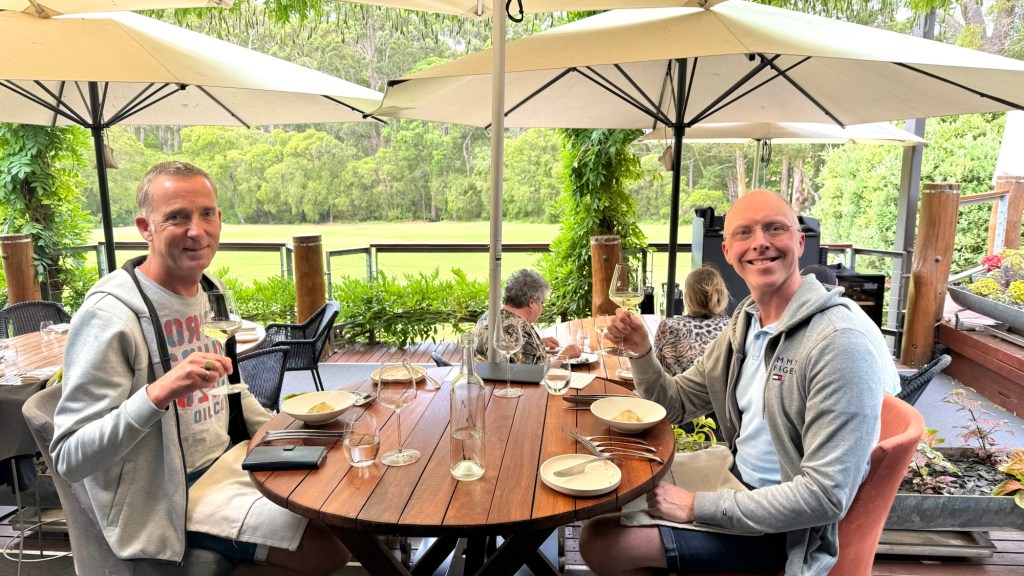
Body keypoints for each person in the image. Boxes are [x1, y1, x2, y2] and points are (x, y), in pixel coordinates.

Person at [51, 162, 349, 575]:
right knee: (329, 550)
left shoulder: (212, 291)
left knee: (342, 509)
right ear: (145, 227)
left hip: (230, 461)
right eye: (177, 216)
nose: (197, 230)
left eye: (206, 213)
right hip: (168, 494)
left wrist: (285, 431)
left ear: (219, 218)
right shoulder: (109, 316)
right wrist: (158, 393)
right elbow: (69, 456)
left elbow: (231, 387)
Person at [581, 190, 899, 575]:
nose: (760, 242)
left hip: (783, 533)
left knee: (604, 542)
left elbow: (826, 495)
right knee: (607, 490)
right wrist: (642, 351)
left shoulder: (838, 343)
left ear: (800, 242)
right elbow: (675, 403)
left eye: (775, 228)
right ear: (728, 251)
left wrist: (696, 507)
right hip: (734, 481)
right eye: (744, 233)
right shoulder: (746, 323)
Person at [473, 268, 580, 363]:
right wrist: (565, 354)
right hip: (506, 379)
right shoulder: (520, 329)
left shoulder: (488, 315)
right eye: (542, 302)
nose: (542, 307)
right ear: (532, 303)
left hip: (484, 376)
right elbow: (539, 374)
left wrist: (538, 344)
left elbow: (511, 347)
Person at [653, 265, 730, 376]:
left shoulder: (670, 327)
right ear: (722, 295)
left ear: (687, 296)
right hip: (718, 388)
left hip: (676, 387)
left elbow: (654, 371)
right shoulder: (733, 327)